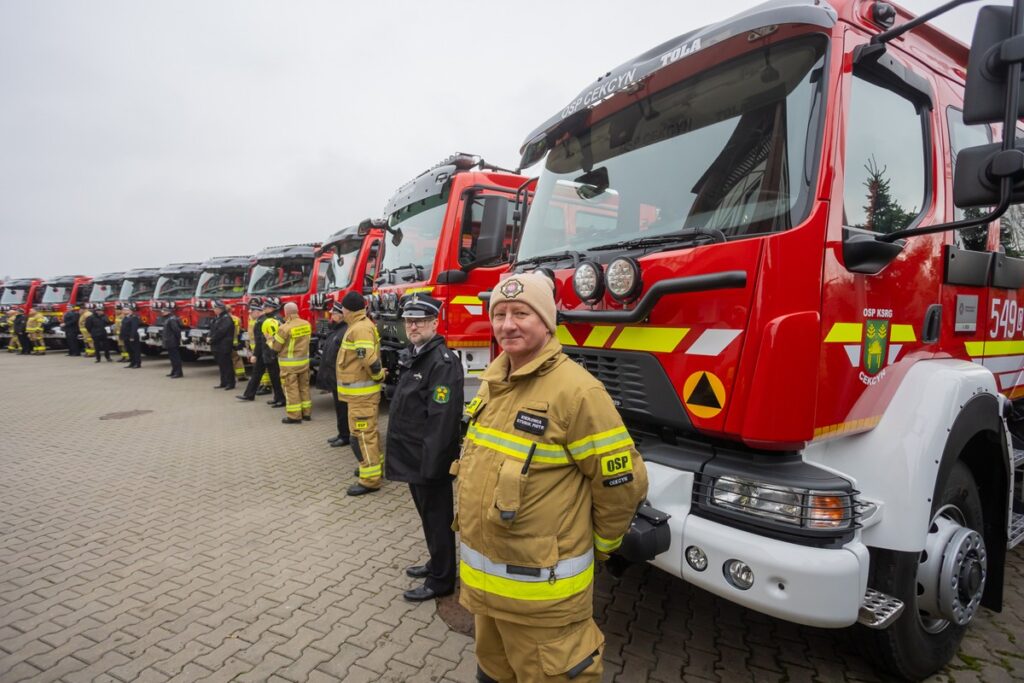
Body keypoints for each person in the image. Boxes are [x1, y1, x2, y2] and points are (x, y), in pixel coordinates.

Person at [455, 272, 649, 683]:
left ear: (547, 322)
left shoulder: (578, 393)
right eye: (501, 313)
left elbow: (622, 484)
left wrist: (601, 545)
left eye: (521, 313)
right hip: (487, 598)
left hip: (545, 603)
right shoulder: (493, 381)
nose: (508, 324)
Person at [385, 294, 463, 602]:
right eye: (408, 321)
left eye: (419, 320)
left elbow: (442, 420)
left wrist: (432, 468)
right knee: (427, 516)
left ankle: (442, 579)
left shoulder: (442, 363)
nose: (412, 326)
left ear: (434, 322)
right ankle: (436, 562)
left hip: (429, 462)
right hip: (414, 457)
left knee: (437, 518)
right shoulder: (416, 354)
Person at [336, 291, 384, 495]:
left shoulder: (360, 328)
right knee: (364, 434)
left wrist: (379, 375)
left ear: (348, 309)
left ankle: (370, 479)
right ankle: (372, 466)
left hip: (362, 396)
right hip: (358, 396)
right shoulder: (359, 326)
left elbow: (368, 359)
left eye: (343, 308)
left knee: (363, 436)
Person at [268, 301, 312, 423]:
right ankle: (306, 413)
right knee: (304, 388)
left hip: (289, 367)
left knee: (291, 390)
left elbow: (276, 347)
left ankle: (294, 416)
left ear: (286, 313)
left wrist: (269, 339)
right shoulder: (306, 324)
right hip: (304, 363)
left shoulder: (284, 328)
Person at [315, 300, 351, 447]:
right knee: (339, 408)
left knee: (343, 409)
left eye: (334, 314)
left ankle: (345, 436)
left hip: (340, 377)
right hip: (334, 376)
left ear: (341, 315)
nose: (331, 316)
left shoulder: (345, 331)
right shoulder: (336, 330)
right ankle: (342, 433)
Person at [237, 298, 272, 401]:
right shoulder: (262, 320)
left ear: (257, 312)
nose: (250, 314)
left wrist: (255, 355)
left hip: (263, 352)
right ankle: (249, 394)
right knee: (260, 374)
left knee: (260, 374)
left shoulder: (260, 322)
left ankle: (250, 394)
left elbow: (260, 341)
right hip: (265, 351)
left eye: (251, 312)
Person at [259, 298, 286, 407]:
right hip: (270, 352)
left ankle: (281, 399)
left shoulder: (274, 320)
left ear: (271, 308)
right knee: (274, 378)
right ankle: (277, 397)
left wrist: (272, 352)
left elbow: (275, 338)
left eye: (265, 307)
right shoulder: (273, 318)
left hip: (272, 352)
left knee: (276, 378)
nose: (264, 310)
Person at [209, 301, 236, 390]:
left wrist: (212, 339)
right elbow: (212, 329)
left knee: (227, 365)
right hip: (217, 345)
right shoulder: (217, 318)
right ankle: (223, 382)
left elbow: (221, 332)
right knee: (221, 365)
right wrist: (209, 336)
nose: (214, 310)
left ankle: (230, 383)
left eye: (215, 308)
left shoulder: (226, 318)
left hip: (224, 345)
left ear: (220, 309)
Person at [120, 304, 143, 368]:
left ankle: (137, 363)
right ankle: (132, 363)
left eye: (126, 310)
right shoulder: (125, 317)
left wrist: (132, 337)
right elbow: (123, 327)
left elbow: (134, 328)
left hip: (132, 337)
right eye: (124, 310)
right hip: (126, 337)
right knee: (129, 350)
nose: (124, 311)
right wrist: (121, 336)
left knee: (135, 350)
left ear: (131, 311)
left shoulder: (134, 318)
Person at [163, 309, 184, 378]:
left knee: (175, 358)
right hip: (169, 341)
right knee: (172, 358)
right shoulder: (168, 319)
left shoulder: (172, 319)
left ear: (169, 312)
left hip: (172, 341)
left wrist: (178, 339)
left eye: (164, 311)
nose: (163, 312)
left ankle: (178, 372)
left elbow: (177, 330)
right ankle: (174, 371)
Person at [229, 310, 246, 384]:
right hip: (236, 342)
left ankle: (234, 375)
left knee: (231, 359)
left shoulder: (225, 319)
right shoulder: (237, 319)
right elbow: (240, 330)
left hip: (228, 342)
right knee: (237, 359)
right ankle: (241, 375)